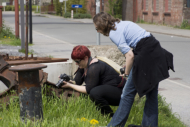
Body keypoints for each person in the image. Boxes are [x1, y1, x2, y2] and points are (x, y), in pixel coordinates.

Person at [93, 12, 175, 127]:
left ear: (102, 25)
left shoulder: (113, 33)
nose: (97, 31)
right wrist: (130, 64)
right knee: (151, 94)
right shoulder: (122, 23)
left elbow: (130, 55)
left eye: (97, 28)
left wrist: (126, 74)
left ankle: (114, 125)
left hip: (146, 55)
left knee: (127, 94)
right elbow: (139, 44)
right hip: (155, 51)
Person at [61, 45, 126, 117]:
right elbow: (77, 82)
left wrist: (70, 85)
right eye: (75, 61)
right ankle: (104, 114)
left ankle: (110, 116)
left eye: (77, 61)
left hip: (121, 93)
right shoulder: (83, 65)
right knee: (90, 91)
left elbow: (88, 89)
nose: (76, 63)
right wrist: (66, 80)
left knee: (94, 93)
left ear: (86, 58)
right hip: (109, 90)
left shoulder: (94, 67)